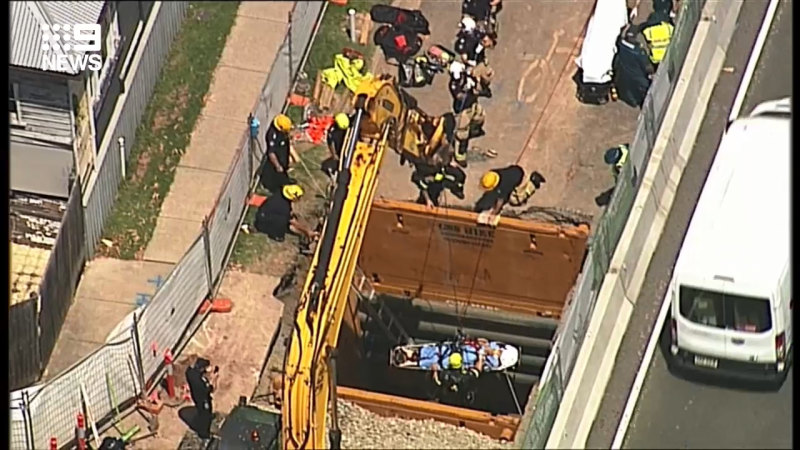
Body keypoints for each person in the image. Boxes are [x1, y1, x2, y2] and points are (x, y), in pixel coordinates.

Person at [448, 62, 486, 167]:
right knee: (462, 135)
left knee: (480, 117)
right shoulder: (453, 84)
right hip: (463, 110)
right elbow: (459, 96)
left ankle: (474, 130)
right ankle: (460, 156)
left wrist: (473, 82)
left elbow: (475, 80)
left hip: (473, 103)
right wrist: (466, 89)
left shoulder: (465, 75)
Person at [254, 184, 319, 242]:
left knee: (286, 219)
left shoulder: (280, 192)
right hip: (263, 219)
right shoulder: (284, 208)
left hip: (266, 210)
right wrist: (307, 231)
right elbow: (293, 222)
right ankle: (275, 234)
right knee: (283, 222)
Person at [613, 30, 654, 108]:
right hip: (638, 76)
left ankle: (631, 100)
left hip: (624, 73)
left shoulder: (620, 44)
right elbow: (647, 67)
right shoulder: (638, 51)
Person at [185, 357, 218, 441]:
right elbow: (212, 389)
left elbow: (190, 370)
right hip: (203, 399)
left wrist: (205, 372)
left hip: (196, 396)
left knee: (201, 410)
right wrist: (214, 378)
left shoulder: (191, 374)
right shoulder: (200, 383)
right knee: (205, 414)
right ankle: (204, 433)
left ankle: (206, 417)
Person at [260, 114, 293, 192]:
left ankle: (284, 180)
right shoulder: (272, 134)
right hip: (276, 157)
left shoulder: (282, 125)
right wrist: (277, 166)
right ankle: (272, 187)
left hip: (283, 153)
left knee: (283, 169)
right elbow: (271, 153)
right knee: (275, 172)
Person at [321, 113, 352, 177]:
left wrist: (334, 156)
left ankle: (334, 179)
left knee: (324, 166)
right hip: (353, 152)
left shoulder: (333, 133)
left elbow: (331, 145)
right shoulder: (352, 129)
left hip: (343, 158)